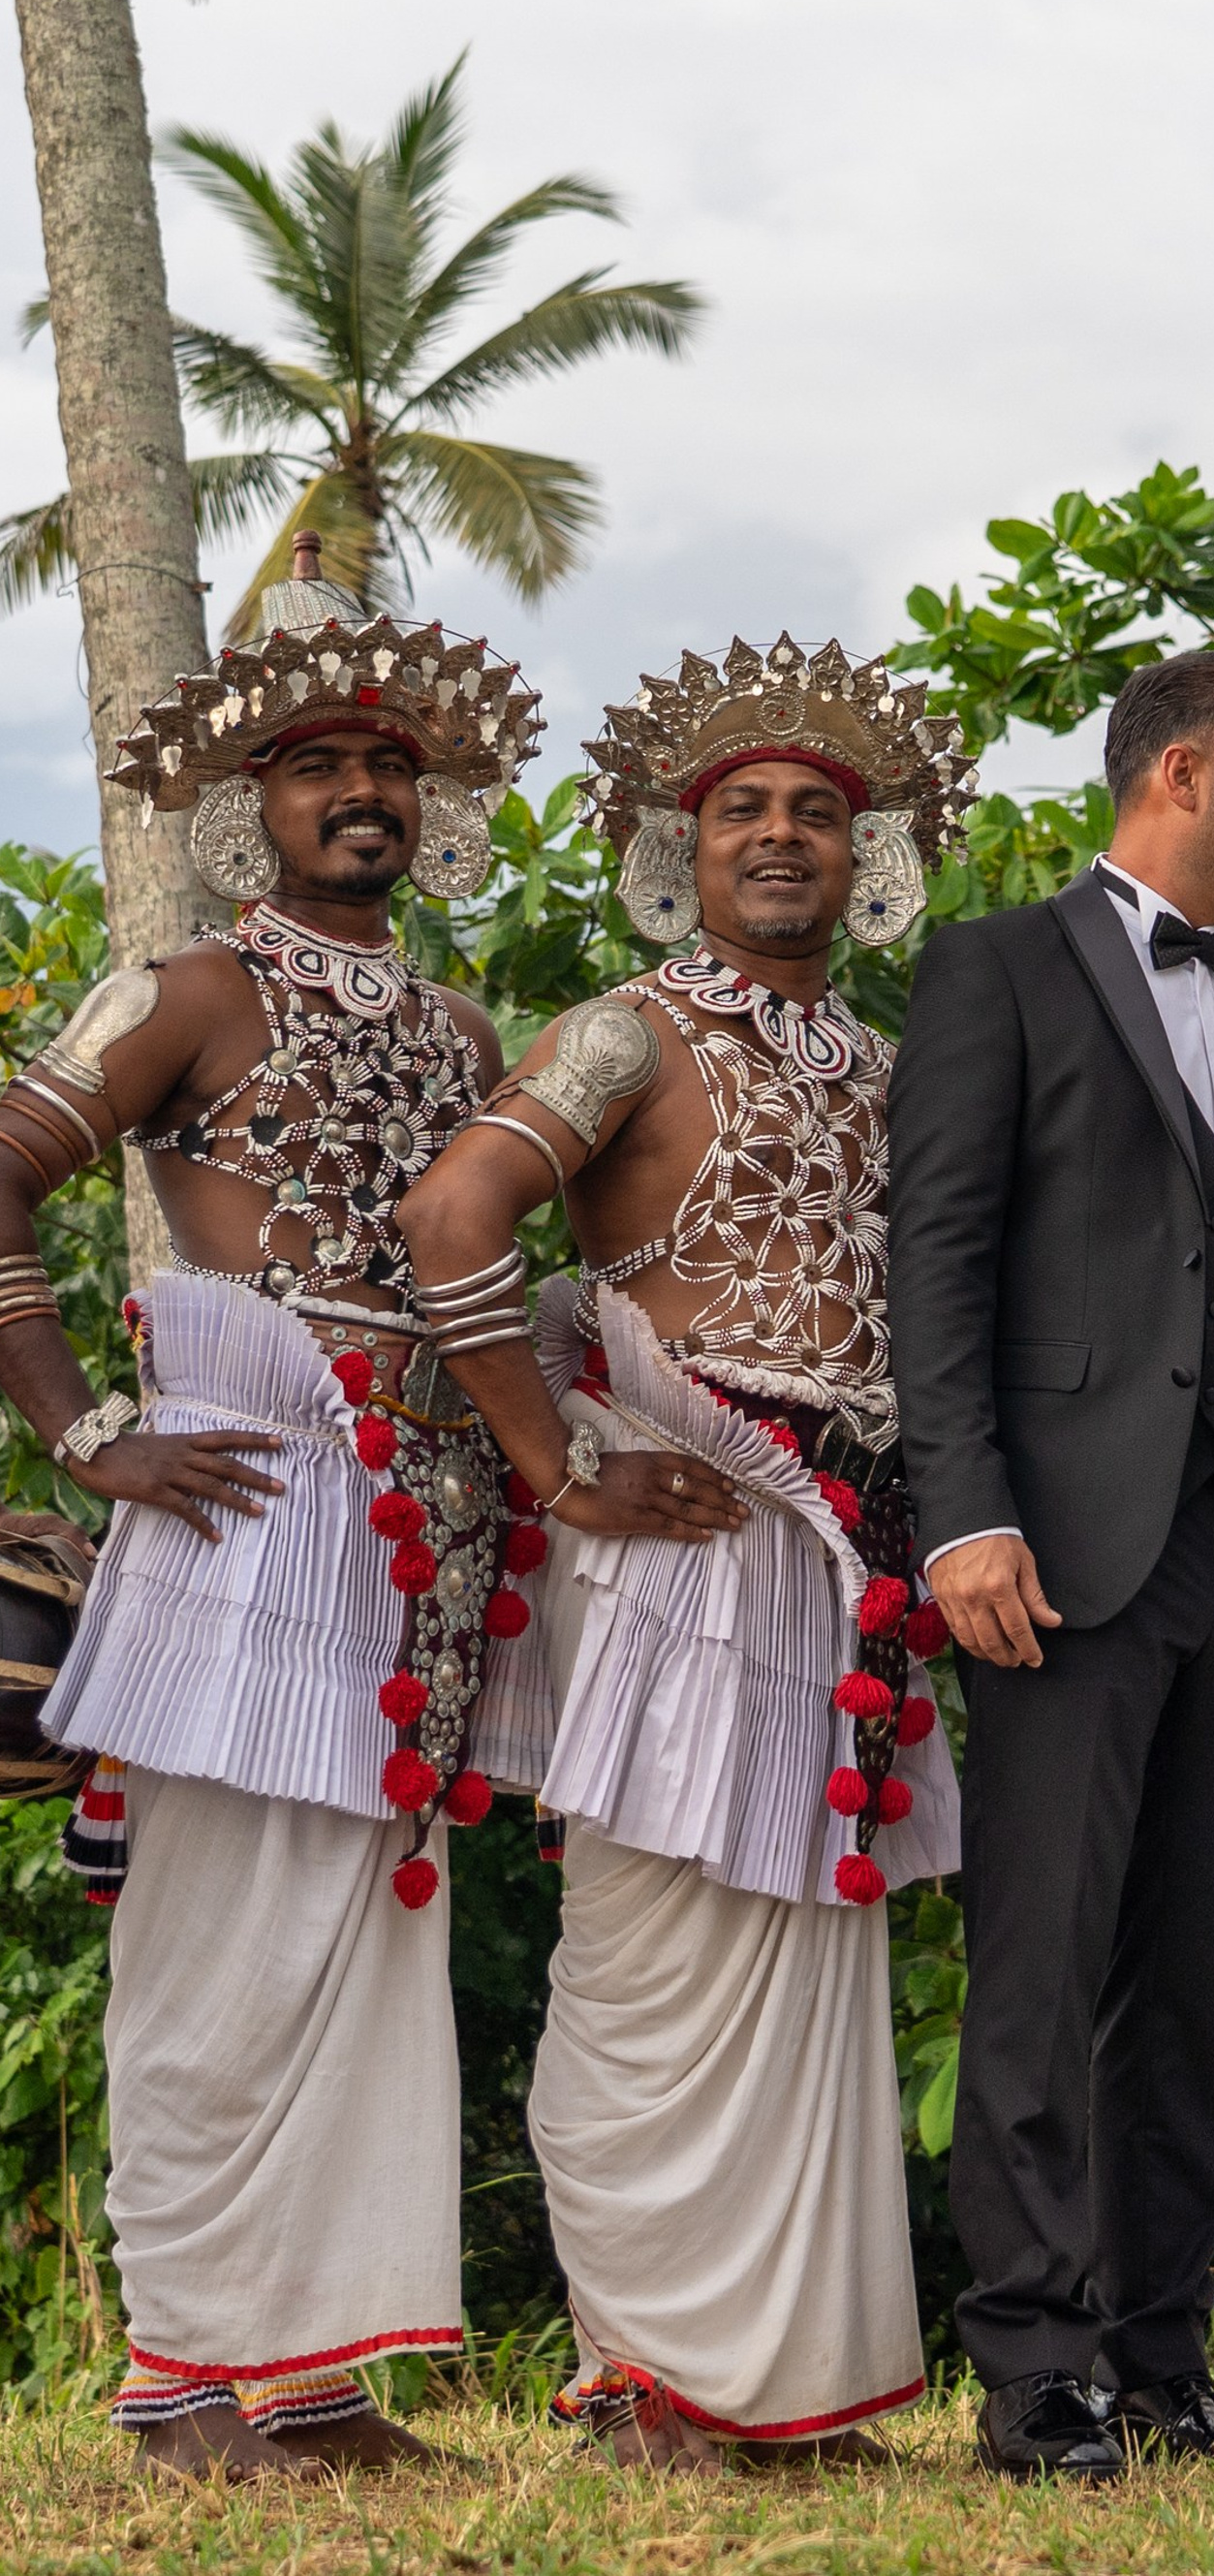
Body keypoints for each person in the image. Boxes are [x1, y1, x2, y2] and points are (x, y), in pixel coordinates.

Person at [399, 634, 971, 2467]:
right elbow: (450, 1212)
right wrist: (553, 1460)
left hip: (846, 1550)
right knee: (651, 1945)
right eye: (745, 811)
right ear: (682, 846)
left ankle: (781, 2389)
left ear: (872, 853)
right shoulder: (625, 1028)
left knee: (807, 1947)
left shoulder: (892, 1064)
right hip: (677, 1522)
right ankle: (642, 2377)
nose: (784, 835)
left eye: (820, 810)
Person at [22, 537, 547, 2476]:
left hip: (422, 1521)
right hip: (243, 1504)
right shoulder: (182, 990)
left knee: (358, 1940)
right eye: (324, 763)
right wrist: (86, 1436)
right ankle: (176, 2378)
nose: (364, 793)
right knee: (216, 1944)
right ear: (254, 803)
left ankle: (313, 2378)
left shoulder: (467, 1034)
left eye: (393, 764)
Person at [887, 647, 1214, 2481]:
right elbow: (936, 1257)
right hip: (1063, 1546)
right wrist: (966, 1511)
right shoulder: (996, 968)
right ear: (1185, 772)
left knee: (1191, 1963)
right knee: (1042, 1952)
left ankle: (1163, 2360)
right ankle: (1030, 2373)